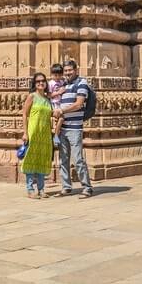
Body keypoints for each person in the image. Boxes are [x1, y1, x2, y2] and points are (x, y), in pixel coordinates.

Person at [55, 60, 93, 198]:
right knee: (63, 159)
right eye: (65, 71)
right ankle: (66, 187)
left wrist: (61, 110)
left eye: (70, 70)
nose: (67, 73)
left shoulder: (81, 83)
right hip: (63, 127)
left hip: (75, 128)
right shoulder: (65, 84)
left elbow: (78, 104)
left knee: (77, 159)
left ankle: (87, 187)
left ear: (76, 70)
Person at [20, 72, 54, 199]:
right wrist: (25, 132)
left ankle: (41, 189)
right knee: (31, 159)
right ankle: (30, 189)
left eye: (43, 81)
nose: (41, 83)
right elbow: (25, 114)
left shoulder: (47, 99)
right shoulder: (32, 96)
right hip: (33, 131)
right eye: (38, 81)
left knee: (42, 160)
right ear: (34, 84)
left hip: (45, 133)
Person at [48, 63, 66, 148]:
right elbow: (49, 95)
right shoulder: (50, 83)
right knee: (61, 118)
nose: (57, 77)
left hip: (62, 103)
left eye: (59, 75)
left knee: (61, 119)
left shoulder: (62, 82)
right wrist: (59, 92)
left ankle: (56, 134)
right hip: (55, 103)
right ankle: (56, 136)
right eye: (55, 75)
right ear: (51, 75)